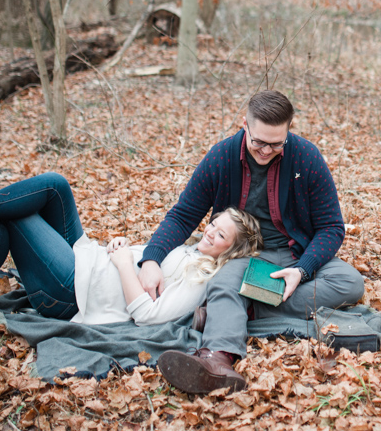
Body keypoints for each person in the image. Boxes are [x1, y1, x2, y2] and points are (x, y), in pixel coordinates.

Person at [140, 90, 365, 394]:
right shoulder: (221, 156)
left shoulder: (307, 158)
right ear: (244, 124)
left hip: (293, 253)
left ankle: (245, 309)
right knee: (223, 283)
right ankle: (215, 360)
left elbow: (331, 227)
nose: (265, 150)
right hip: (244, 255)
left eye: (276, 144)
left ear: (289, 130)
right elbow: (183, 215)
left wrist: (303, 270)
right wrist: (151, 258)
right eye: (258, 142)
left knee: (350, 283)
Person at [0, 172, 263, 328]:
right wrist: (123, 245)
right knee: (54, 185)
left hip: (73, 293)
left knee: (12, 219)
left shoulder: (201, 278)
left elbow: (148, 316)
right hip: (88, 261)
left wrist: (125, 264)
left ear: (229, 253)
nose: (209, 232)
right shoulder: (191, 251)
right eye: (214, 224)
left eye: (219, 237)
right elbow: (144, 261)